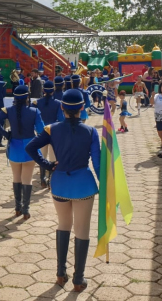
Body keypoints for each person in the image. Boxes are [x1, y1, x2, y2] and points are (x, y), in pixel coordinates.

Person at [25, 89, 100, 293]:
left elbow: (31, 147)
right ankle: (78, 278)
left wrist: (48, 165)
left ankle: (60, 273)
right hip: (83, 185)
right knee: (82, 229)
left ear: (62, 107)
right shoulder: (91, 132)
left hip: (59, 183)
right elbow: (98, 162)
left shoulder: (51, 129)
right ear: (83, 108)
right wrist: (106, 186)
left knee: (63, 224)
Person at [0, 85, 45, 220]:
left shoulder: (8, 110)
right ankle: (26, 210)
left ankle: (17, 208)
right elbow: (41, 130)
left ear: (14, 97)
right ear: (27, 96)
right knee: (27, 179)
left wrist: (5, 134)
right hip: (30, 147)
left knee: (16, 177)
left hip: (14, 146)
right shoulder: (35, 111)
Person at [31, 81, 64, 188]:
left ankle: (42, 179)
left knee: (42, 157)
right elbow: (61, 119)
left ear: (43, 90)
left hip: (41, 133)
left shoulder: (36, 103)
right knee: (53, 158)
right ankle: (50, 179)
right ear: (53, 90)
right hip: (54, 133)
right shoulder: (58, 103)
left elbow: (33, 120)